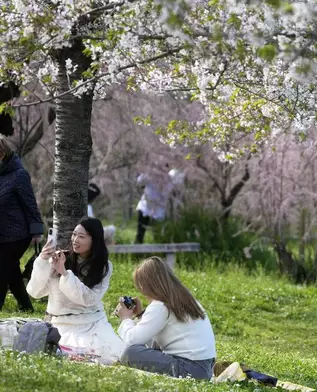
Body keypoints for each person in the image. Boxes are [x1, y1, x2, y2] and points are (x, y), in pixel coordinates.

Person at [26, 217, 125, 363]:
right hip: (60, 323)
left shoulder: (104, 266)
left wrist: (65, 274)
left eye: (81, 236)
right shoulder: (62, 258)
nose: (75, 239)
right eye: (74, 234)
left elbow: (89, 299)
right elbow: (35, 292)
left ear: (94, 240)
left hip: (91, 323)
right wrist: (42, 261)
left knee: (109, 356)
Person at [115, 256, 216, 380]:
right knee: (142, 348)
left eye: (141, 285)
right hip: (204, 367)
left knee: (129, 353)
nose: (141, 290)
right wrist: (140, 315)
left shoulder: (160, 305)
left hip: (190, 368)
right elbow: (149, 336)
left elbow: (132, 341)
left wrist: (125, 319)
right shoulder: (184, 298)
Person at [0, 134, 42, 311]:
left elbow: (30, 203)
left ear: (2, 153)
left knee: (1, 270)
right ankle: (26, 306)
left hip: (18, 235)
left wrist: (37, 231)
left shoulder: (19, 175)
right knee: (11, 272)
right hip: (2, 236)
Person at [135, 165, 174, 243]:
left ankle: (158, 253)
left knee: (158, 235)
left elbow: (167, 193)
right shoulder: (149, 175)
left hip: (159, 210)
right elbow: (139, 182)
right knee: (140, 234)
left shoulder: (169, 179)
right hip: (145, 207)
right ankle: (136, 253)